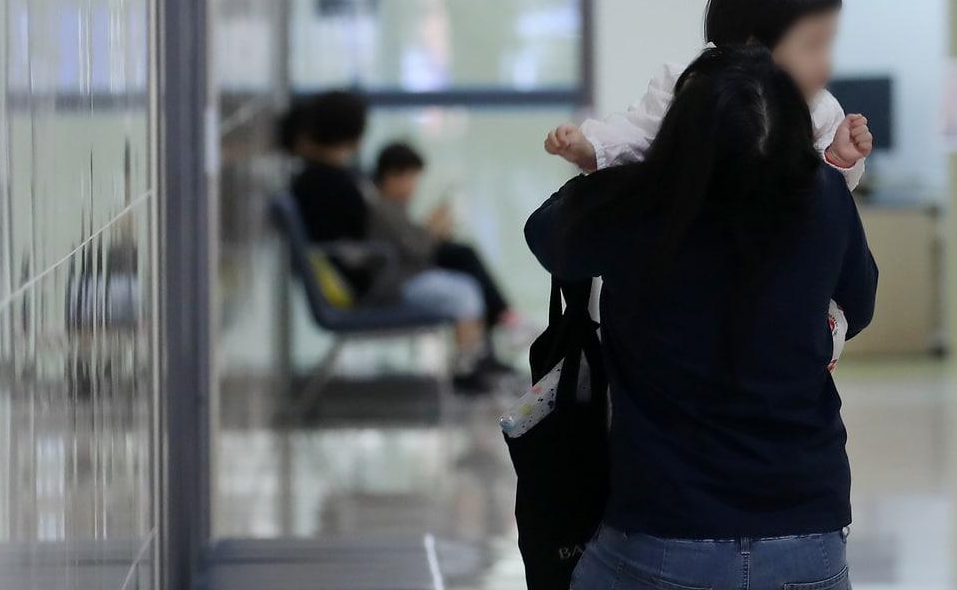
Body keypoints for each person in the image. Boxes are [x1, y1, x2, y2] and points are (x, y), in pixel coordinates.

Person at [525, 45, 878, 590]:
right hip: (807, 534)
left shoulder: (638, 205)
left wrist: (622, 163)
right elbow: (860, 304)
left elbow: (546, 233)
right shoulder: (824, 195)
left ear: (678, 130)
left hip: (657, 539)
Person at [543, 0, 870, 366]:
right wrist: (591, 149)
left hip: (775, 274)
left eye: (829, 44)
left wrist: (839, 161)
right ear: (754, 46)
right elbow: (637, 133)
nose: (826, 64)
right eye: (812, 45)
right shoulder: (686, 87)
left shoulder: (820, 109)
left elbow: (825, 201)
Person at [287, 91, 492, 392]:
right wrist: (424, 234)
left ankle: (476, 366)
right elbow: (377, 237)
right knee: (464, 292)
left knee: (461, 269)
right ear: (354, 134)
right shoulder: (335, 183)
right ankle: (469, 374)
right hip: (374, 283)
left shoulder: (320, 179)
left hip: (371, 274)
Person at [371, 140, 522, 375]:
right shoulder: (382, 210)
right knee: (464, 292)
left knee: (465, 275)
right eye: (410, 178)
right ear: (392, 176)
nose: (413, 187)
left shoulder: (391, 208)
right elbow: (414, 250)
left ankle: (482, 357)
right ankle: (469, 369)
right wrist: (432, 230)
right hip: (398, 284)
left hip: (405, 278)